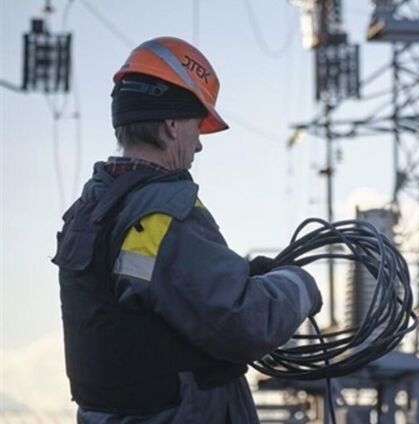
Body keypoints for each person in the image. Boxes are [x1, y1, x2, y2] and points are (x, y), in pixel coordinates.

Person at [52, 36, 322, 424]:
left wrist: (243, 278)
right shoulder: (163, 214)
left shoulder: (91, 210)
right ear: (172, 125)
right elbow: (243, 323)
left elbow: (155, 298)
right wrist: (300, 285)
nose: (198, 146)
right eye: (197, 127)